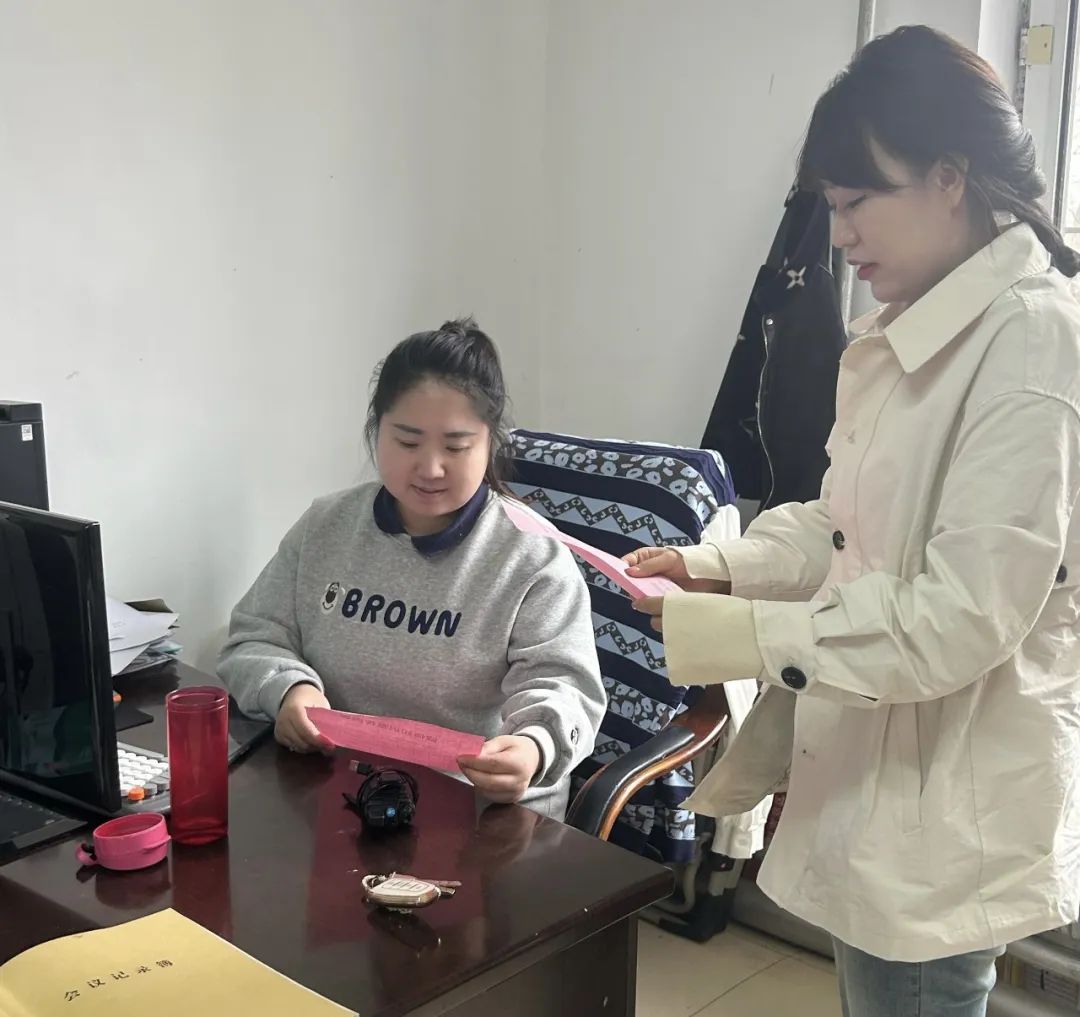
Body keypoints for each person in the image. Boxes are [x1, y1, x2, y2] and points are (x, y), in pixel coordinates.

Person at [628, 25, 1080, 1017]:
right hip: (881, 777)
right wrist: (718, 565)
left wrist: (736, 631)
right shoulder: (910, 332)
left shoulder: (1031, 344)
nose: (838, 236)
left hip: (938, 808)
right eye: (832, 206)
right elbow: (841, 527)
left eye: (855, 202)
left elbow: (959, 617)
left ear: (949, 177)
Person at [219, 317, 606, 820]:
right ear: (376, 430)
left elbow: (566, 686)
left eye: (456, 446)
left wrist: (534, 746)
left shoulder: (532, 557)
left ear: (490, 443)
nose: (430, 468)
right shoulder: (326, 525)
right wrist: (289, 689)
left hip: (476, 810)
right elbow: (253, 636)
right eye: (407, 442)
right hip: (337, 791)